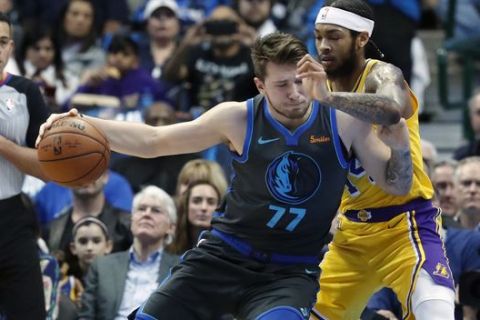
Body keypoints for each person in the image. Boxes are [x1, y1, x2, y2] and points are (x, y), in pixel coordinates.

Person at [38, 31, 413, 319]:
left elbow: (397, 184)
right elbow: (153, 140)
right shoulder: (238, 117)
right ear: (260, 86)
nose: (296, 93)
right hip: (223, 256)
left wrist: (399, 146)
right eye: (282, 85)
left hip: (289, 271)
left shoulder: (343, 118)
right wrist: (82, 123)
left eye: (300, 81)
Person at [310, 1, 455, 319]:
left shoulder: (382, 73)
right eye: (319, 36)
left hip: (405, 223)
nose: (323, 45)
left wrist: (329, 99)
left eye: (334, 36)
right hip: (352, 233)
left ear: (361, 38)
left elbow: (391, 108)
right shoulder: (319, 88)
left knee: (437, 310)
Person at [0, 12, 49, 319]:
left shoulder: (26, 91)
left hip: (11, 218)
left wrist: (3, 145)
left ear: (11, 48)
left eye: (1, 42)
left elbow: (46, 167)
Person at [79, 186, 179, 320]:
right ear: (132, 220)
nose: (146, 214)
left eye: (156, 210)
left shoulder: (180, 269)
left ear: (171, 227)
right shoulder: (102, 266)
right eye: (141, 209)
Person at [168, 180, 223, 255]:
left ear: (219, 208)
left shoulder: (226, 249)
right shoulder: (167, 247)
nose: (204, 208)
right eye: (196, 201)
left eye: (211, 202)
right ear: (186, 206)